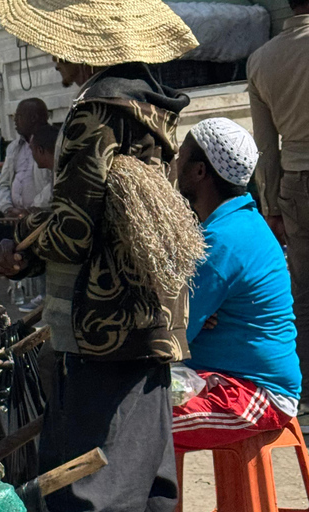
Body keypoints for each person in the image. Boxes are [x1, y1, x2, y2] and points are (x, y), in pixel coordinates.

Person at [0, 0, 201, 509]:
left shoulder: (93, 112)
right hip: (152, 315)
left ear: (84, 49)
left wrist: (18, 251)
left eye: (59, 46)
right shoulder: (152, 107)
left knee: (91, 481)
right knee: (149, 471)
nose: (54, 58)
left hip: (101, 325)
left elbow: (75, 231)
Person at [173, 117, 301, 450]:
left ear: (200, 171)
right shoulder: (236, 224)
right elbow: (184, 315)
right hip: (224, 377)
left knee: (140, 426)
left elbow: (172, 332)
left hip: (255, 393)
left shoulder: (223, 242)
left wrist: (188, 321)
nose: (175, 163)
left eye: (181, 156)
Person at [247, 0, 309, 423]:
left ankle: (303, 391)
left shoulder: (261, 60)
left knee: (301, 288)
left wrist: (270, 206)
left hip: (294, 183)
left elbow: (266, 148)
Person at [0, 99, 52, 260]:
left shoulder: (53, 143)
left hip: (39, 216)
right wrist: (7, 208)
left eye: (19, 116)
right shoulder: (14, 147)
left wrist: (30, 210)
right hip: (13, 216)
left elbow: (55, 184)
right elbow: (4, 184)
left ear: (34, 118)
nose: (14, 121)